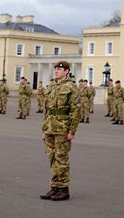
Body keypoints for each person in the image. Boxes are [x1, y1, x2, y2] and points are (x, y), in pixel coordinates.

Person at [40, 61, 80, 201]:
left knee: (61, 158)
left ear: (66, 71)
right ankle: (55, 186)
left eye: (59, 69)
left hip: (62, 128)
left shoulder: (71, 87)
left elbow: (76, 111)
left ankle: (64, 188)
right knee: (52, 157)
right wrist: (45, 126)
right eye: (56, 69)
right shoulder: (51, 85)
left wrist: (72, 131)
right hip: (50, 126)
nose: (56, 71)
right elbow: (47, 109)